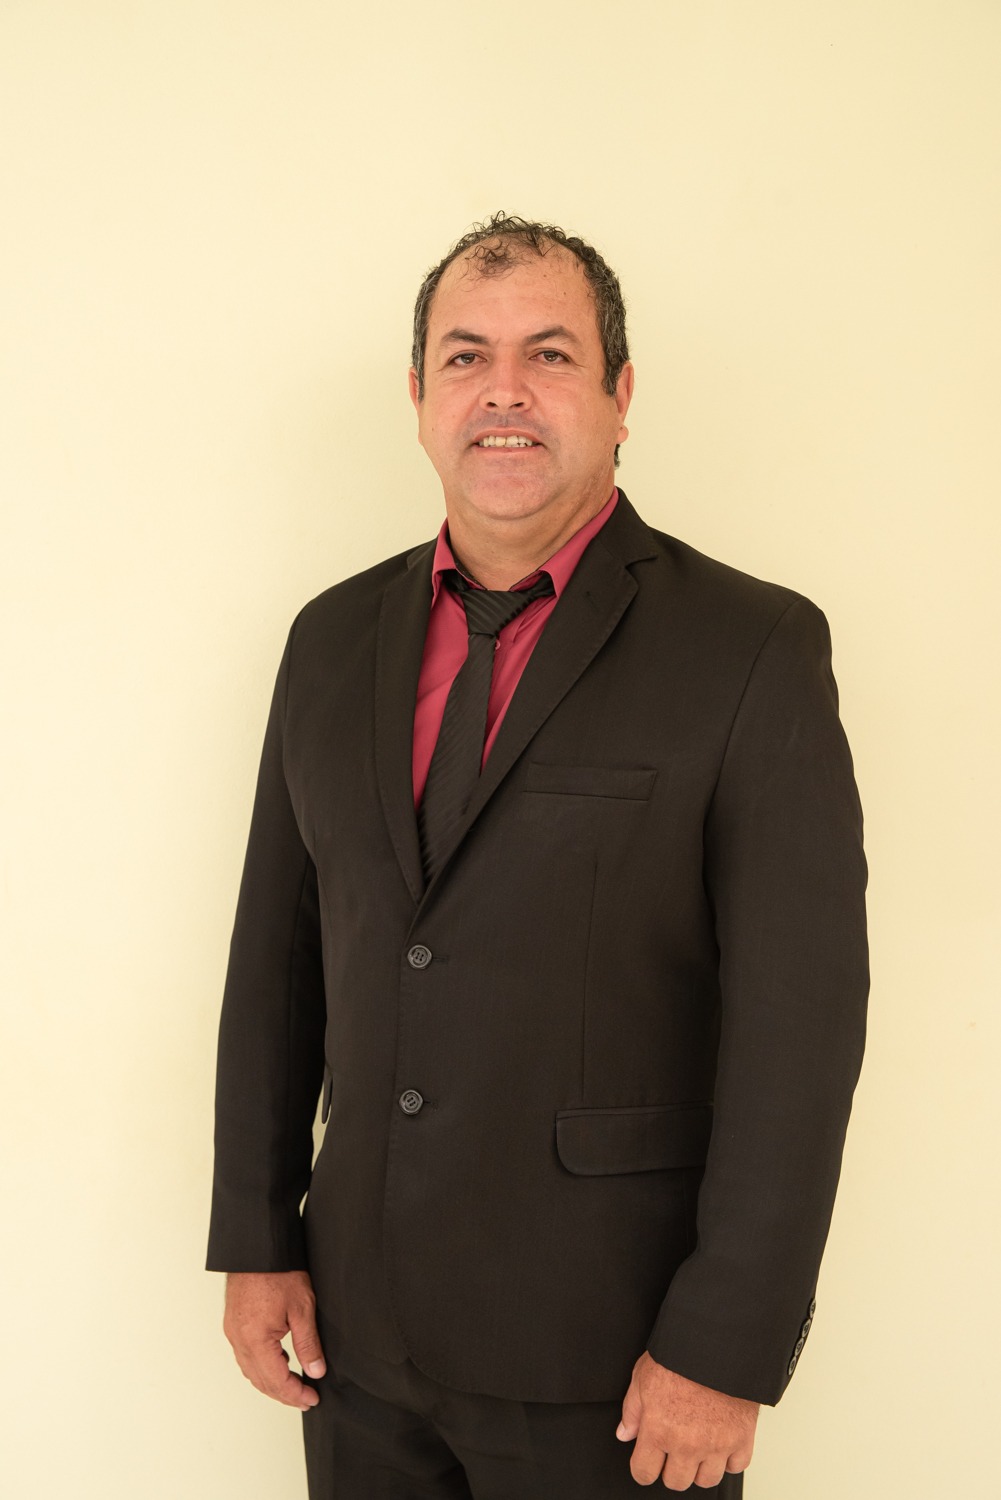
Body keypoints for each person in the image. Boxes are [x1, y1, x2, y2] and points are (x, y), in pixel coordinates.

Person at [208, 212, 868, 1497]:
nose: (501, 391)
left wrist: (725, 1343)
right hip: (355, 1338)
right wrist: (256, 1232)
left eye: (549, 355)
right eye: (465, 357)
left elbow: (799, 1030)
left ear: (619, 395)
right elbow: (275, 964)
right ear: (418, 398)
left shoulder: (750, 650)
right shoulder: (328, 640)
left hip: (614, 1359)